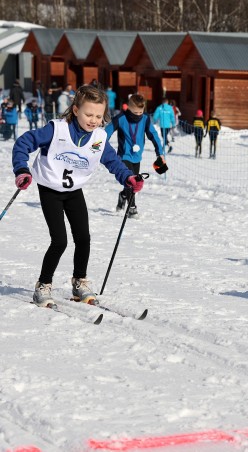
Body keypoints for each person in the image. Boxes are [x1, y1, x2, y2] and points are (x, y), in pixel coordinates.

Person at [12, 85, 142, 309]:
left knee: (84, 238)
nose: (93, 120)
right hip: (50, 190)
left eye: (99, 116)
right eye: (89, 114)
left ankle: (79, 282)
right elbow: (23, 143)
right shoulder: (57, 130)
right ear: (75, 110)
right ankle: (43, 285)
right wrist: (22, 170)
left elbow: (113, 162)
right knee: (59, 241)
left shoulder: (99, 137)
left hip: (73, 192)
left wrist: (128, 178)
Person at [105, 93, 164, 218]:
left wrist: (160, 154)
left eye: (140, 112)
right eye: (135, 112)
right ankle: (132, 208)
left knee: (134, 184)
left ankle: (123, 196)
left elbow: (154, 136)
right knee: (131, 182)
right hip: (123, 156)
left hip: (137, 157)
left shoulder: (145, 119)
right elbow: (106, 133)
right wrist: (99, 147)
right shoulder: (121, 118)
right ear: (129, 109)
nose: (138, 115)